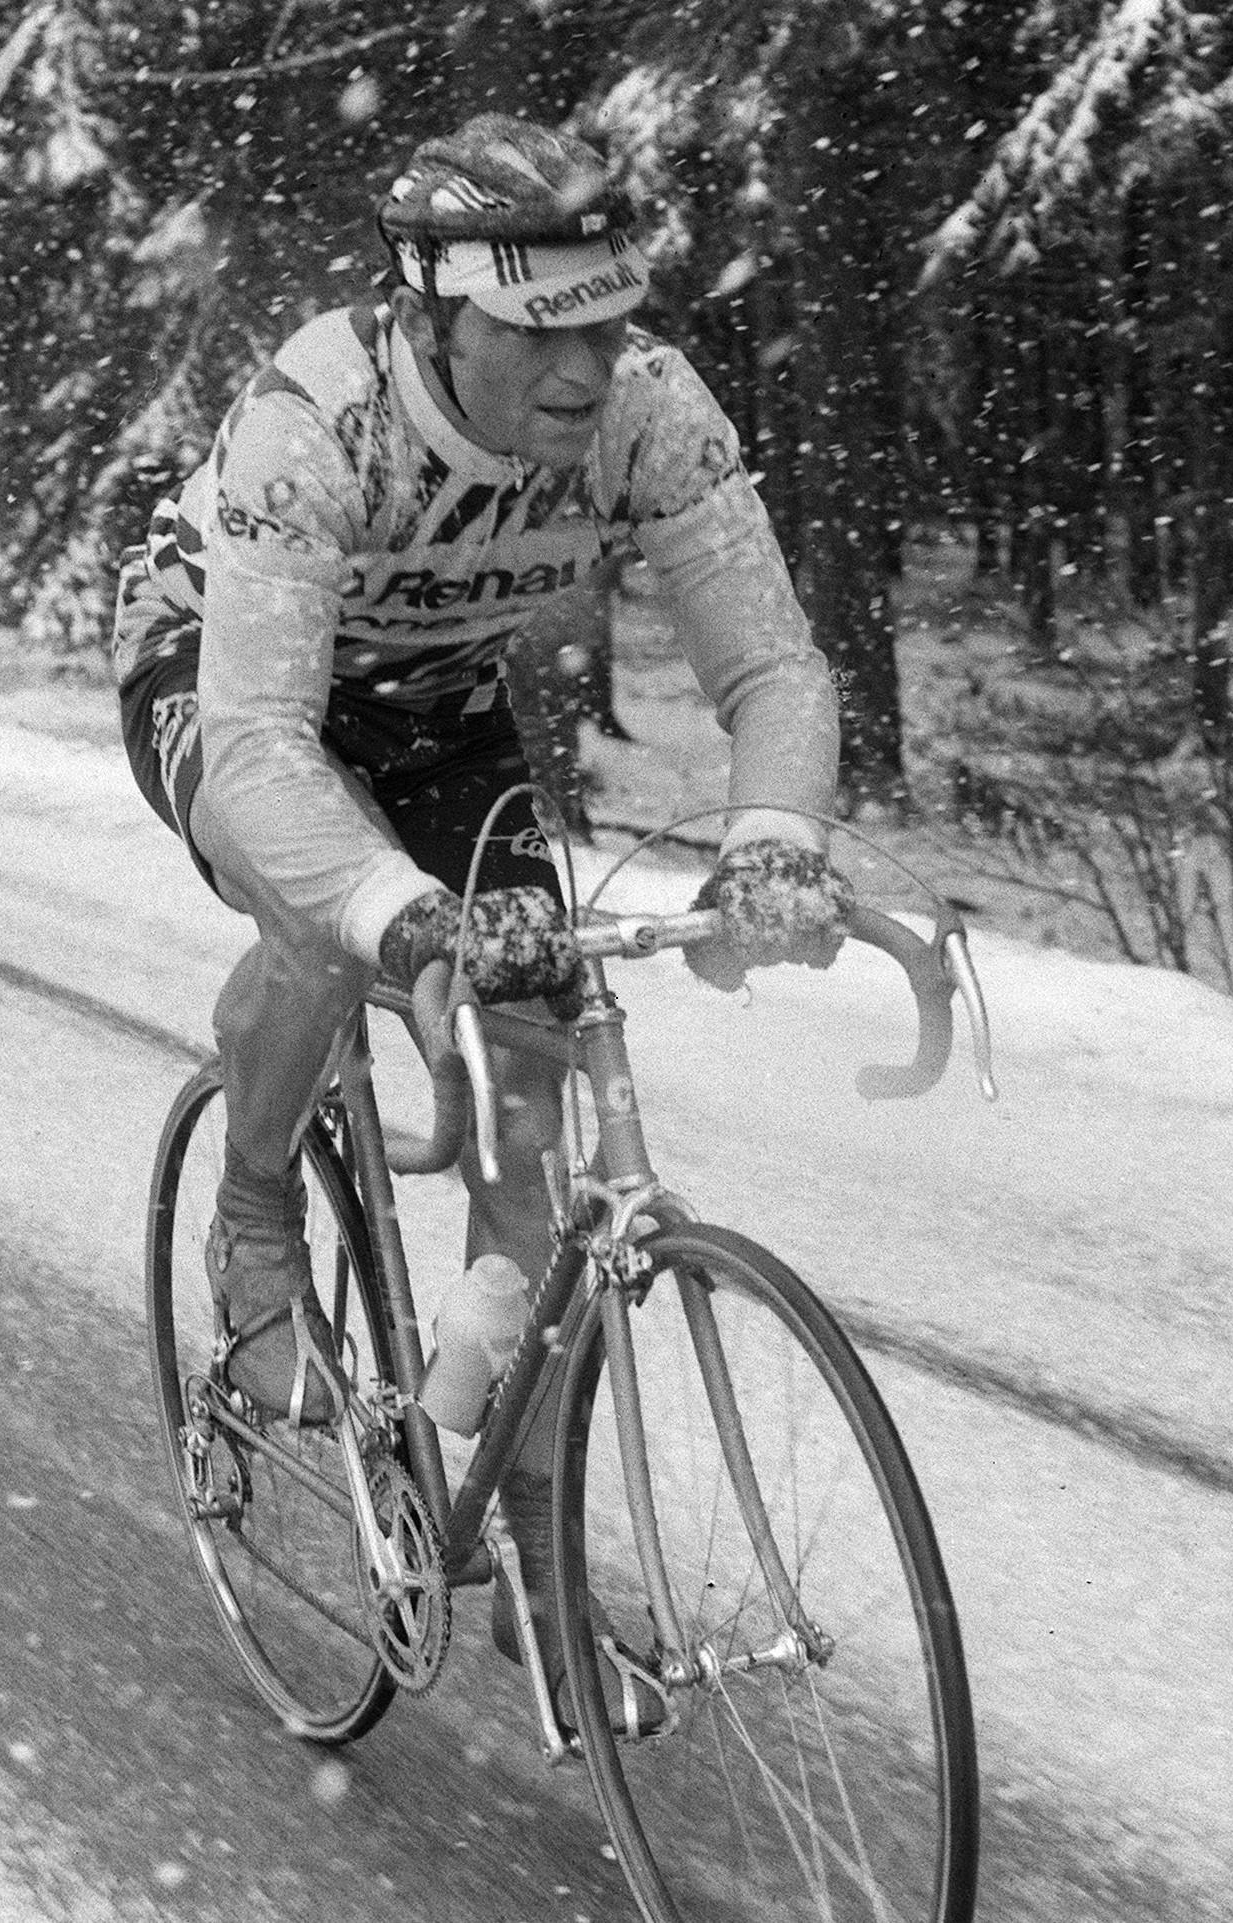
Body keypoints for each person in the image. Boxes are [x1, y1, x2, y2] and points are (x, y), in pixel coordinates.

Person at [110, 113, 851, 1731]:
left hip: (438, 705)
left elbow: (771, 668)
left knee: (535, 1079)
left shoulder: (652, 410)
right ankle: (254, 1218)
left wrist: (775, 839)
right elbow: (260, 748)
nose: (585, 371)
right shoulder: (317, 416)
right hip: (227, 678)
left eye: (608, 324)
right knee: (331, 924)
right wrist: (399, 918)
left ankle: (530, 1560)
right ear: (433, 311)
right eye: (538, 332)